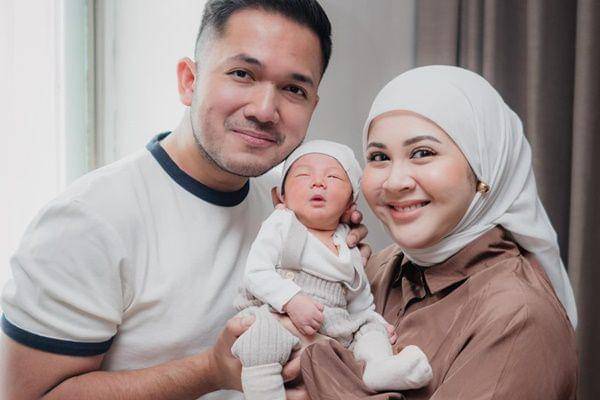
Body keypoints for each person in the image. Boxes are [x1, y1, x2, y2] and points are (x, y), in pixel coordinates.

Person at [1, 1, 368, 399]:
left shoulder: (288, 206)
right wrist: (210, 371)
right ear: (189, 81)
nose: (265, 111)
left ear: (312, 106)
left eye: (294, 89)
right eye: (242, 74)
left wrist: (340, 259)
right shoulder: (88, 221)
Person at [298, 65, 579, 399]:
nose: (395, 181)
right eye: (379, 156)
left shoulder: (518, 317)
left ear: (484, 168)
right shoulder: (374, 268)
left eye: (422, 153)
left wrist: (312, 367)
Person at [231, 140, 432, 399]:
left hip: (336, 323)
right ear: (281, 197)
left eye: (333, 177)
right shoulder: (282, 224)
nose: (318, 183)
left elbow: (358, 299)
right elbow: (256, 272)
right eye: (304, 175)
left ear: (350, 204)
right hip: (279, 313)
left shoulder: (348, 242)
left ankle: (377, 368)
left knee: (369, 329)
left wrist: (377, 323)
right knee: (262, 340)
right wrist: (292, 300)